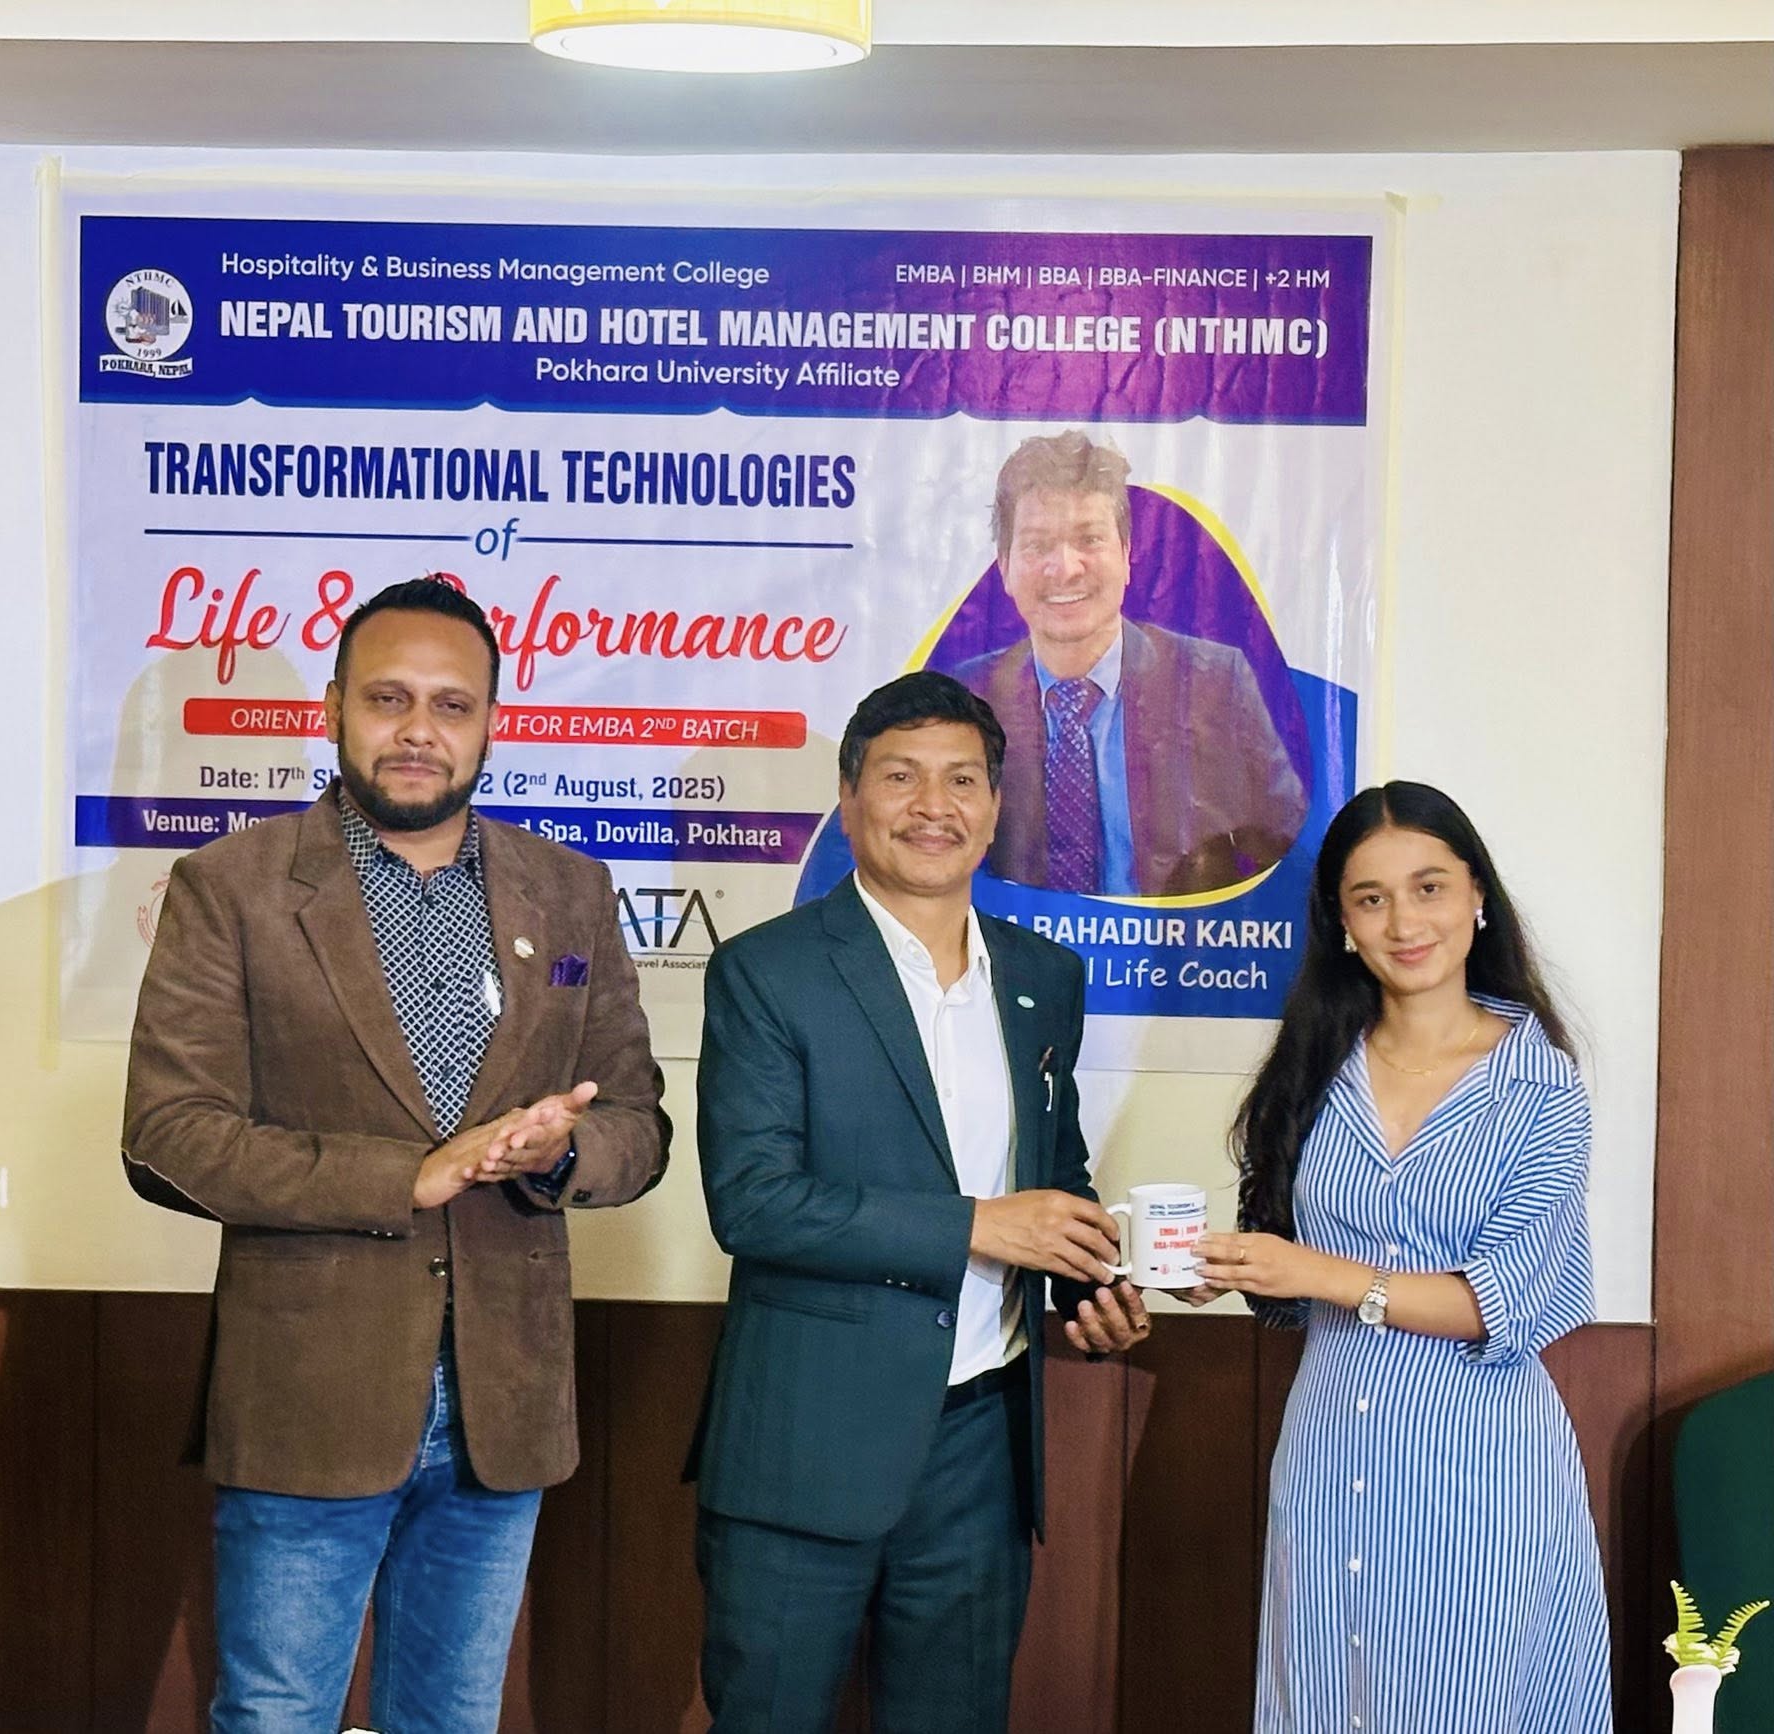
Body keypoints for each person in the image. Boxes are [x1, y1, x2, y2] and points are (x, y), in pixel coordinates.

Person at [121, 577, 668, 1734]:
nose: (420, 730)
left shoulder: (568, 892)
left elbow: (637, 1120)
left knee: (452, 1720)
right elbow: (168, 1135)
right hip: (307, 1398)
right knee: (275, 1717)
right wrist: (404, 1177)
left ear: (491, 723)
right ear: (332, 709)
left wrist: (562, 1154)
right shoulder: (232, 888)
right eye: (388, 698)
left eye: (451, 705)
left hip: (501, 1406)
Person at [686, 670, 1151, 1734]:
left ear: (994, 806)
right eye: (900, 777)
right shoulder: (768, 972)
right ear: (849, 799)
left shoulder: (1044, 977)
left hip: (980, 1450)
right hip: (803, 1447)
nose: (933, 806)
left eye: (962, 780)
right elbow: (753, 1203)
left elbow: (1055, 1177)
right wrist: (978, 1226)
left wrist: (1091, 1289)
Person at [1187, 780, 1611, 1733]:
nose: (1404, 923)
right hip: (1325, 1458)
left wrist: (1320, 1275)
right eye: (1371, 898)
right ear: (1342, 922)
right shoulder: (1314, 1065)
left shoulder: (1538, 1083)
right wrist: (1242, 1272)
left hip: (1478, 1468)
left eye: (1429, 887)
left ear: (1477, 896)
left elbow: (1505, 1302)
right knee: (1317, 1701)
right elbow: (1289, 1274)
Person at [953, 431, 1307, 896]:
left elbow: (1293, 856)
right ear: (1004, 566)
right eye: (1038, 545)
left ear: (1125, 555)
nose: (1066, 568)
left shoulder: (1215, 684)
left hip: (1171, 944)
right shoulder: (967, 697)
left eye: (1089, 539)